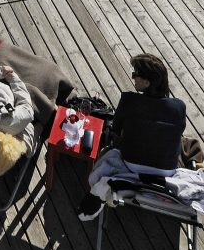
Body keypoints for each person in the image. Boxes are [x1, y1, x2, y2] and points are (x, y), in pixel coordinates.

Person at [77, 53, 188, 219]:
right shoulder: (179, 107)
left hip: (132, 164)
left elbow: (115, 131)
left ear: (146, 82)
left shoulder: (129, 100)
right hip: (167, 170)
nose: (133, 77)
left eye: (136, 74)